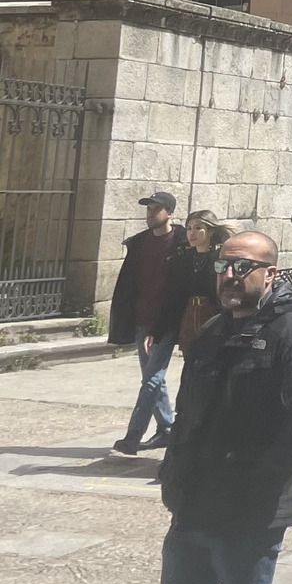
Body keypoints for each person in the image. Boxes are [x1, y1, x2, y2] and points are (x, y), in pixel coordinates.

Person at [158, 229, 292, 584]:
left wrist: (258, 479)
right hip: (194, 505)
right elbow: (187, 411)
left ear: (270, 274)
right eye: (223, 264)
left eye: (242, 266)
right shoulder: (211, 332)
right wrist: (173, 473)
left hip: (249, 514)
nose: (229, 274)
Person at [110, 190, 185, 455]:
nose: (150, 214)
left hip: (167, 321)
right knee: (152, 377)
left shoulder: (181, 242)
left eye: (156, 209)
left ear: (169, 213)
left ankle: (133, 437)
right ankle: (166, 428)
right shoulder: (140, 243)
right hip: (142, 319)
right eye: (148, 209)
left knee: (152, 379)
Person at [158, 210, 228, 357]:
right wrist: (156, 330)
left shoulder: (220, 258)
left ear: (210, 231)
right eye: (189, 228)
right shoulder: (184, 259)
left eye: (198, 228)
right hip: (189, 321)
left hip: (213, 320)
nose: (192, 233)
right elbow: (174, 296)